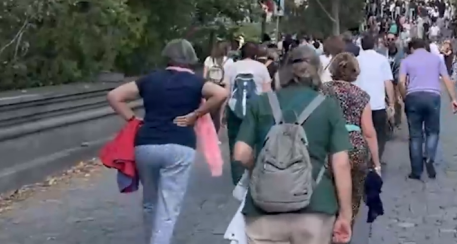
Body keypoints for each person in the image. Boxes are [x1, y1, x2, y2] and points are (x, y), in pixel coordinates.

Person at [107, 39, 228, 244]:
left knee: (150, 202)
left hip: (146, 144)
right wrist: (196, 115)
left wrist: (132, 119)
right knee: (168, 206)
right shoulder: (196, 82)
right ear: (190, 60)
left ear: (167, 57)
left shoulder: (150, 80)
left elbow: (114, 96)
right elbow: (221, 93)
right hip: (180, 145)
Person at [233, 45, 354, 244]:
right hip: (315, 207)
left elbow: (240, 153)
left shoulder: (261, 103)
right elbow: (341, 164)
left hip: (263, 208)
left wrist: (262, 168)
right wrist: (345, 215)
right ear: (317, 72)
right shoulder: (328, 106)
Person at [320, 53, 381, 227]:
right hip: (355, 147)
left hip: (328, 145)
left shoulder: (321, 91)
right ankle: (346, 228)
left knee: (326, 192)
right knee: (353, 197)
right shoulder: (361, 95)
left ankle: (327, 228)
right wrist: (376, 163)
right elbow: (368, 132)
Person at [399, 38, 457, 180]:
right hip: (433, 96)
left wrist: (404, 97)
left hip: (413, 96)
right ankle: (429, 157)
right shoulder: (437, 60)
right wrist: (453, 99)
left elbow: (401, 82)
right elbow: (446, 79)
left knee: (415, 135)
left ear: (412, 48)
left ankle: (416, 171)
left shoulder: (406, 61)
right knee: (432, 131)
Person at [226, 41, 273, 186]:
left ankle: (238, 180)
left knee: (235, 143)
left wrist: (222, 113)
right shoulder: (261, 68)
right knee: (258, 142)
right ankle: (256, 176)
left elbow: (227, 91)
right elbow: (267, 92)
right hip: (257, 109)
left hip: (235, 110)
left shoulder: (232, 67)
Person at [354, 35, 395, 160]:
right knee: (379, 134)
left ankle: (365, 158)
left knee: (362, 134)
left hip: (360, 104)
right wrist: (391, 103)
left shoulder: (356, 61)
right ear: (375, 45)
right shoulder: (382, 60)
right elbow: (388, 82)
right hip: (378, 104)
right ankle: (376, 159)